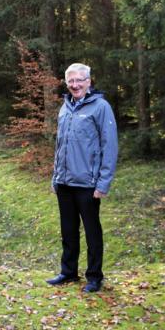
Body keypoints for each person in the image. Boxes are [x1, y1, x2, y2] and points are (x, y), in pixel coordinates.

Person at [47, 63, 118, 293]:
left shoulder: (101, 107)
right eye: (71, 81)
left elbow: (110, 146)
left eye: (79, 80)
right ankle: (68, 272)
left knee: (92, 232)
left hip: (88, 184)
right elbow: (60, 145)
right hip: (64, 182)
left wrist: (103, 183)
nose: (75, 85)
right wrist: (55, 177)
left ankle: (94, 277)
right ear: (67, 83)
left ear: (89, 82)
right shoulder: (65, 107)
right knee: (68, 230)